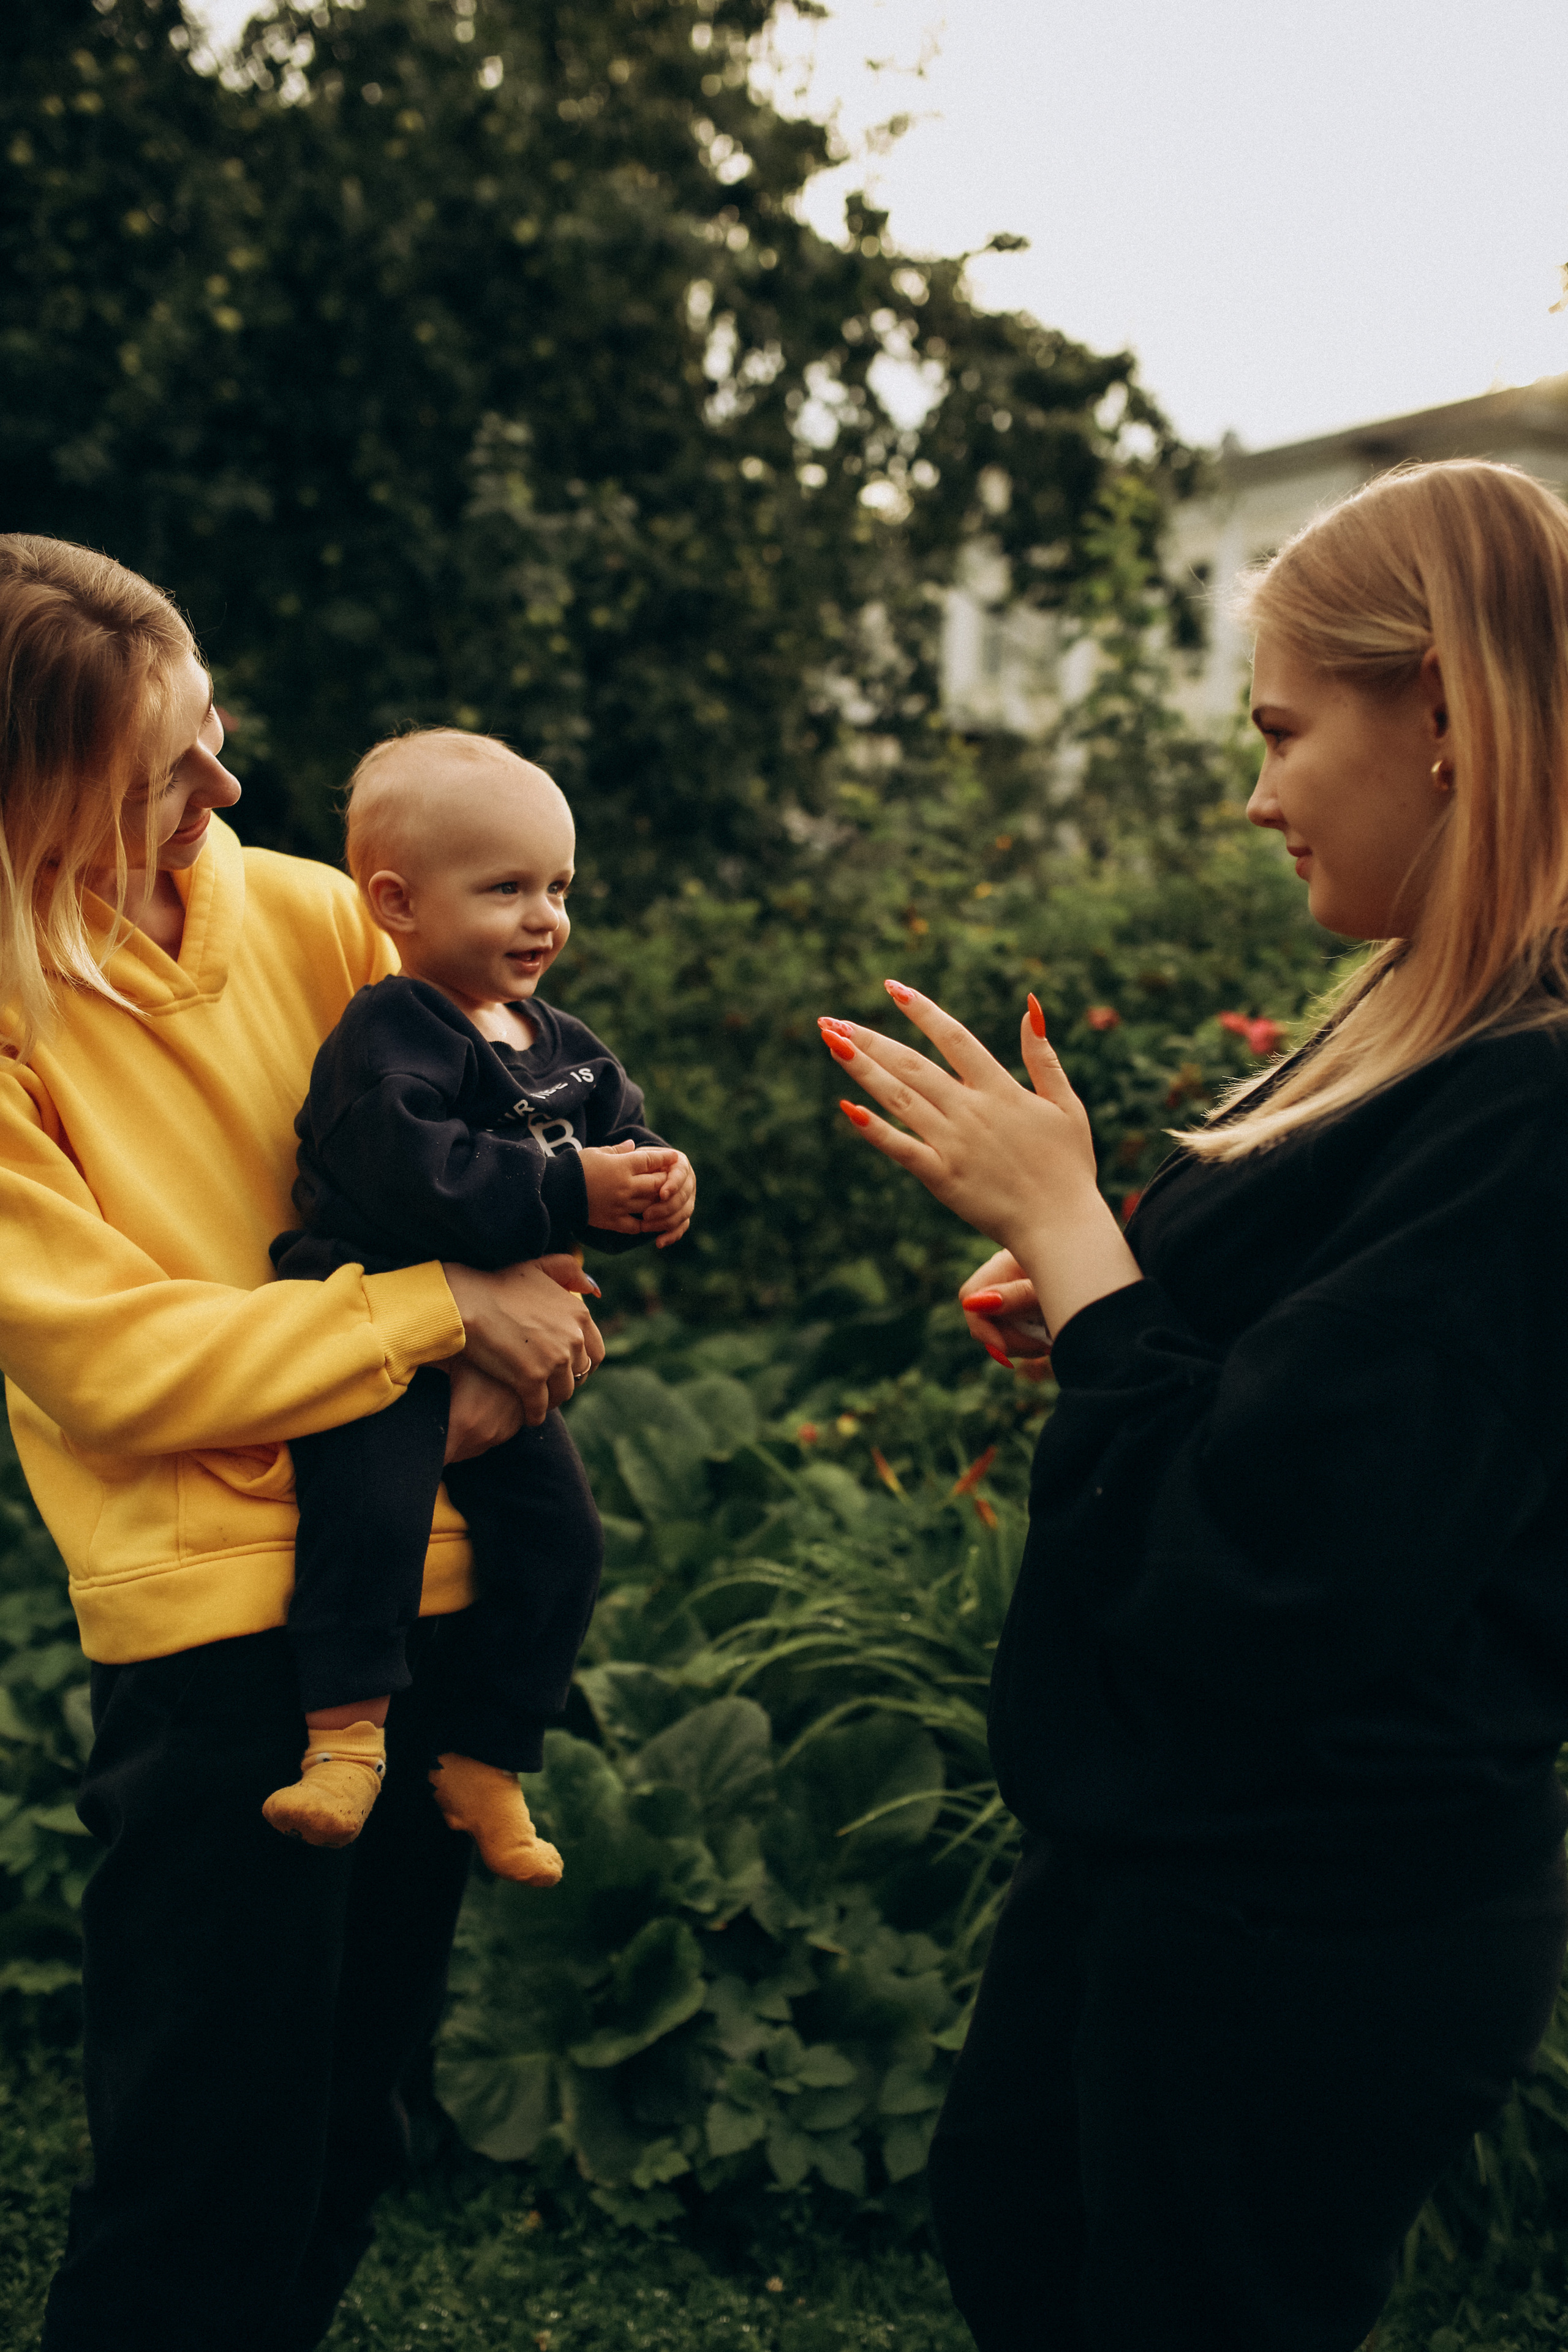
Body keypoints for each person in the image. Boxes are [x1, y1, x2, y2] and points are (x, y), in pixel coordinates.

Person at [818, 459, 1568, 2350]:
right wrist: (1102, 1301)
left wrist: (1078, 1238)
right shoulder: (1428, 1017)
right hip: (1187, 1864)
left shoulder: (1536, 1104)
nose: (1257, 793)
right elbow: (1319, 1395)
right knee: (1025, 2237)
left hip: (1311, 1919)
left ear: (1454, 724)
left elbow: (1283, 1564)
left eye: (1284, 731)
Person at [0, 533, 605, 2352]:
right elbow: (113, 1359)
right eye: (157, 776)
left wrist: (543, 1305)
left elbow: (514, 1138)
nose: (226, 788)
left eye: (212, 734)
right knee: (203, 2181)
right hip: (225, 1655)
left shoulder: (317, 912)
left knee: (350, 2137)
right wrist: (431, 1323)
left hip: (433, 1593)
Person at [262, 729, 695, 1876]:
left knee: (563, 1539)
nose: (544, 917)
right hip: (375, 1318)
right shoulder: (391, 1032)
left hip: (492, 1337)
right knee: (373, 1519)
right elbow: (416, 1176)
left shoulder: (562, 1043)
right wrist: (567, 1185)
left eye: (557, 887)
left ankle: (487, 1757)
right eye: (505, 889)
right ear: (397, 904)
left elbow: (617, 1133)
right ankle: (344, 1741)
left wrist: (652, 1182)